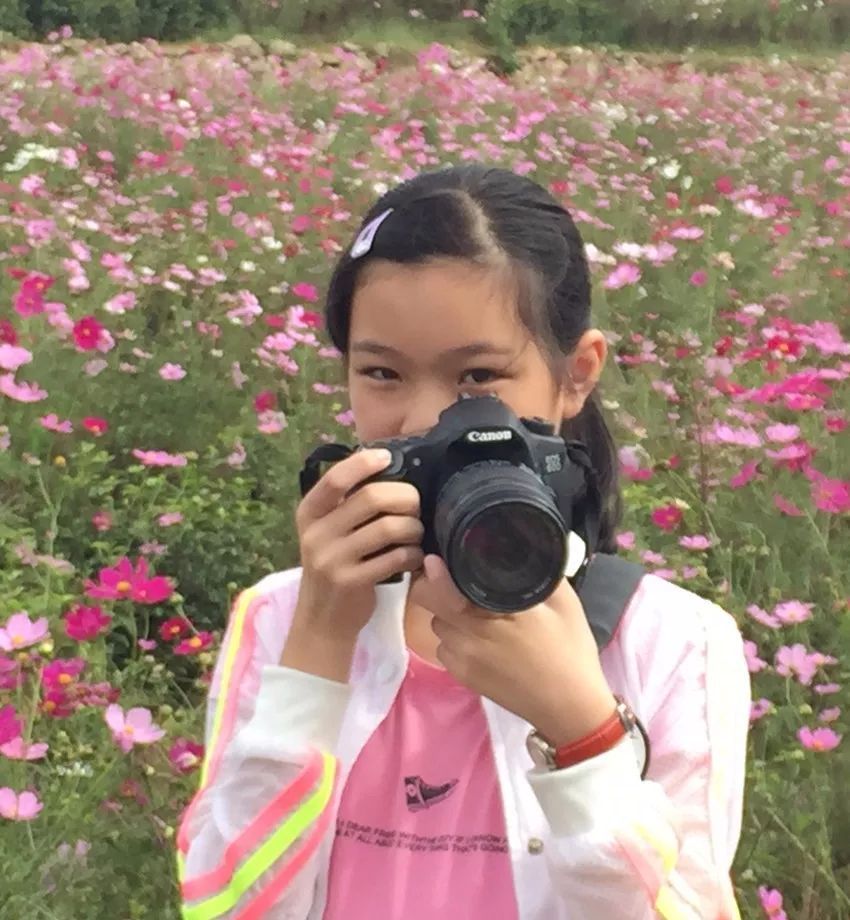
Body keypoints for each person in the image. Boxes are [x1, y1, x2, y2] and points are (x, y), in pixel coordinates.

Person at [176, 164, 751, 920]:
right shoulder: (283, 617)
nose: (424, 419)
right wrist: (318, 643)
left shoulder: (670, 643)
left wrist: (582, 732)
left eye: (478, 376)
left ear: (575, 375)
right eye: (381, 372)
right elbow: (225, 907)